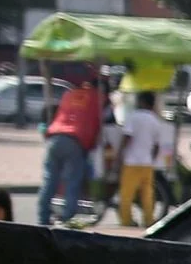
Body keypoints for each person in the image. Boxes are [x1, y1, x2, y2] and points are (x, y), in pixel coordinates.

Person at [38, 69, 106, 225]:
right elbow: (100, 122)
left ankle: (42, 217)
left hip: (54, 136)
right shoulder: (98, 98)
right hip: (75, 140)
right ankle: (68, 218)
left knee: (50, 180)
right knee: (72, 181)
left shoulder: (70, 94)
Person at [114, 91, 170, 228]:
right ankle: (149, 220)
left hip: (131, 162)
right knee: (147, 194)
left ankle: (126, 221)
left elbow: (127, 137)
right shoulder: (155, 120)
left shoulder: (133, 117)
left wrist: (119, 155)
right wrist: (151, 160)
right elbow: (156, 146)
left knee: (127, 194)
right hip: (147, 163)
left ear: (142, 102)